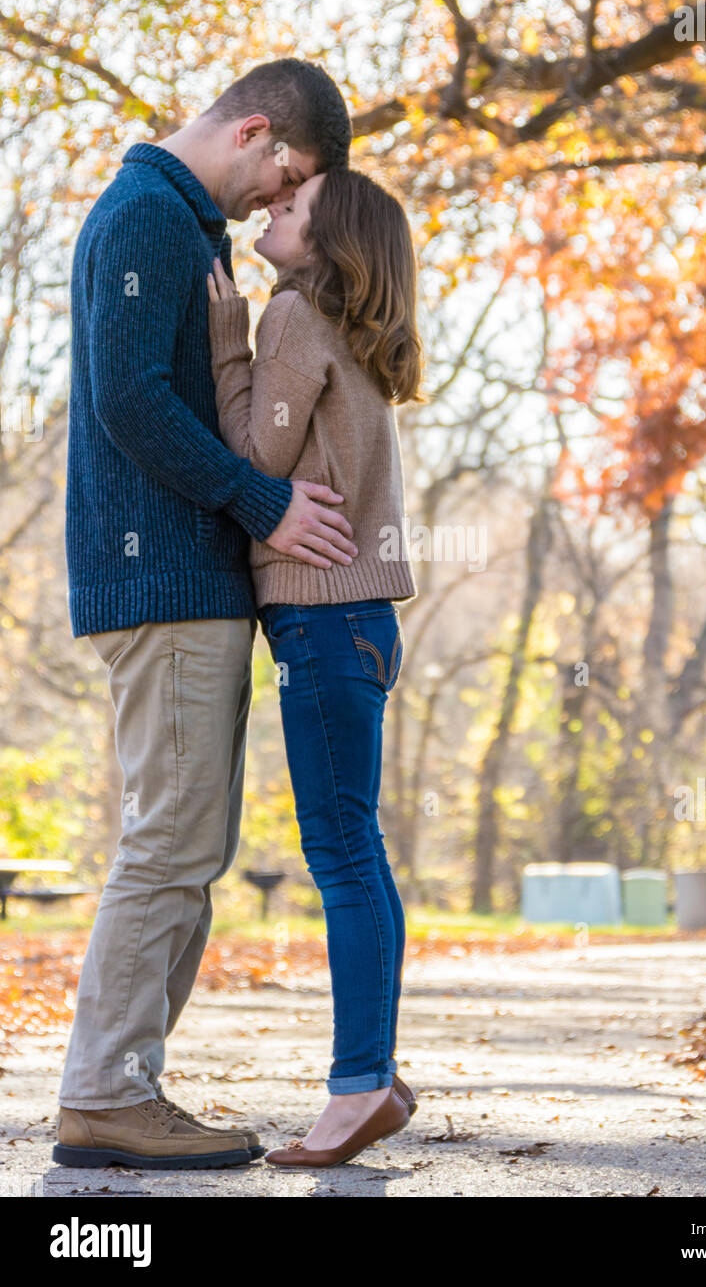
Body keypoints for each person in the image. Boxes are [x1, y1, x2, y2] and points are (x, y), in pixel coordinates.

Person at [55, 60, 357, 1171]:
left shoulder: (177, 225)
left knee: (190, 845)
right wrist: (262, 500)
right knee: (169, 843)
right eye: (291, 175)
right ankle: (102, 1092)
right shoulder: (146, 217)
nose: (283, 200)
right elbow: (131, 398)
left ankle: (125, 1085)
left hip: (187, 583)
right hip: (165, 581)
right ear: (258, 130)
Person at [205, 163, 423, 1167]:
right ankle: (368, 1070)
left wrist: (223, 339)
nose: (268, 208)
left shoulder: (292, 316)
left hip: (324, 623)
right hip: (358, 624)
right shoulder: (355, 337)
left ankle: (356, 1084)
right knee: (355, 848)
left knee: (341, 854)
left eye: (288, 206)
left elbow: (256, 455)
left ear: (326, 242)